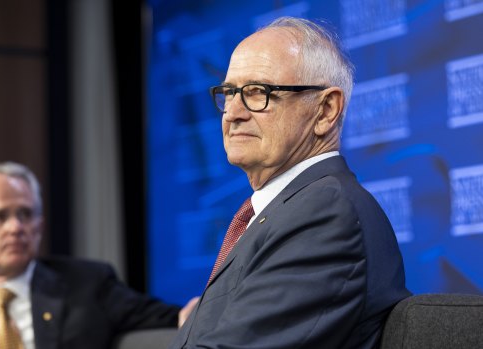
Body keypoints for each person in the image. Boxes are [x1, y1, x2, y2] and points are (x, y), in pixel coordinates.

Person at [169, 16, 411, 349]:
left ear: (326, 110)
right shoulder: (288, 209)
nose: (233, 112)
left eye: (258, 92)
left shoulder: (324, 216)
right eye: (228, 93)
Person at [0, 161, 187, 349]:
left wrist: (203, 308)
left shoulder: (88, 285)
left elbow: (170, 317)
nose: (16, 227)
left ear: (40, 225)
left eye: (26, 214)